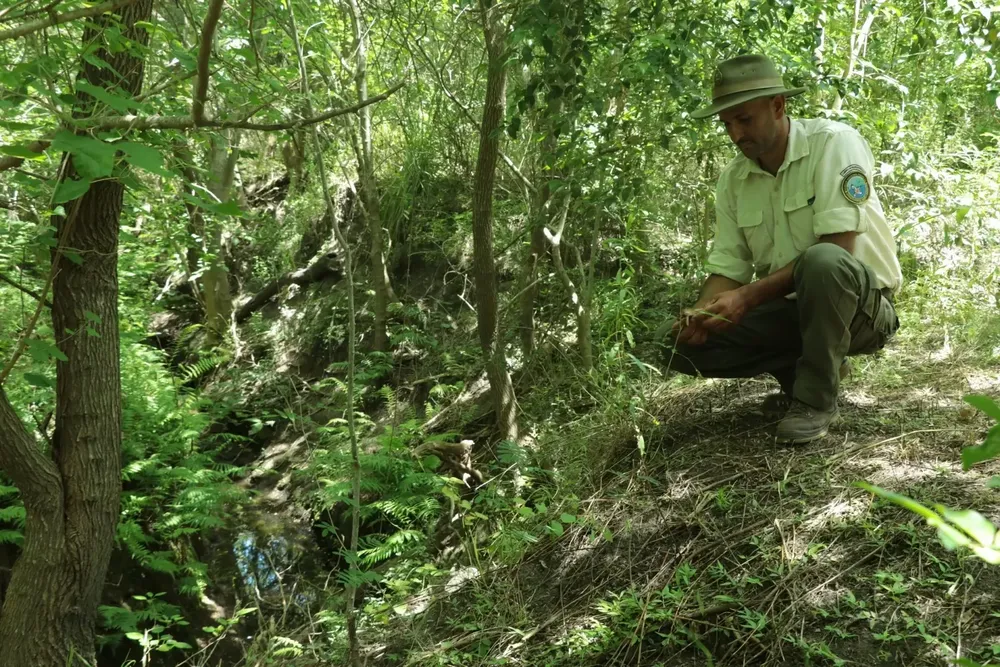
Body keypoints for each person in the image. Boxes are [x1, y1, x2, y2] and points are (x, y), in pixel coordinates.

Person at [658, 53, 903, 445]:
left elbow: (837, 248)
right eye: (727, 124)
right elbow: (728, 268)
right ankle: (801, 372)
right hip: (792, 310)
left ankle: (815, 400)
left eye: (744, 119)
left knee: (821, 262)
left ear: (777, 106)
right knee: (677, 345)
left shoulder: (834, 144)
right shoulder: (734, 180)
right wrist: (701, 314)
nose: (736, 134)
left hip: (860, 309)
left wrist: (745, 297)